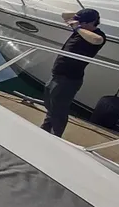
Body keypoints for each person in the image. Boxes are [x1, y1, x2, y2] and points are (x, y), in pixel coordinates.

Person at [41, 8, 106, 137]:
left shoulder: (94, 35)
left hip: (69, 79)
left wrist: (78, 28)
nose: (79, 24)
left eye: (83, 22)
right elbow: (64, 14)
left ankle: (55, 135)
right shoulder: (81, 29)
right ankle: (45, 129)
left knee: (59, 109)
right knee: (50, 104)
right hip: (57, 74)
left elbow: (97, 40)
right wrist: (77, 17)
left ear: (92, 22)